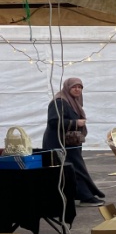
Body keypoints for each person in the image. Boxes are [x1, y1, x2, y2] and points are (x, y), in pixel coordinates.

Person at [42, 77, 105, 207]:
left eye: (80, 87)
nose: (77, 90)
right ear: (67, 88)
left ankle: (80, 196)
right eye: (74, 87)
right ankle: (85, 197)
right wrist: (76, 122)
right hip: (59, 143)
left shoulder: (73, 101)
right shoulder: (59, 102)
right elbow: (54, 121)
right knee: (74, 169)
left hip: (70, 143)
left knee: (74, 169)